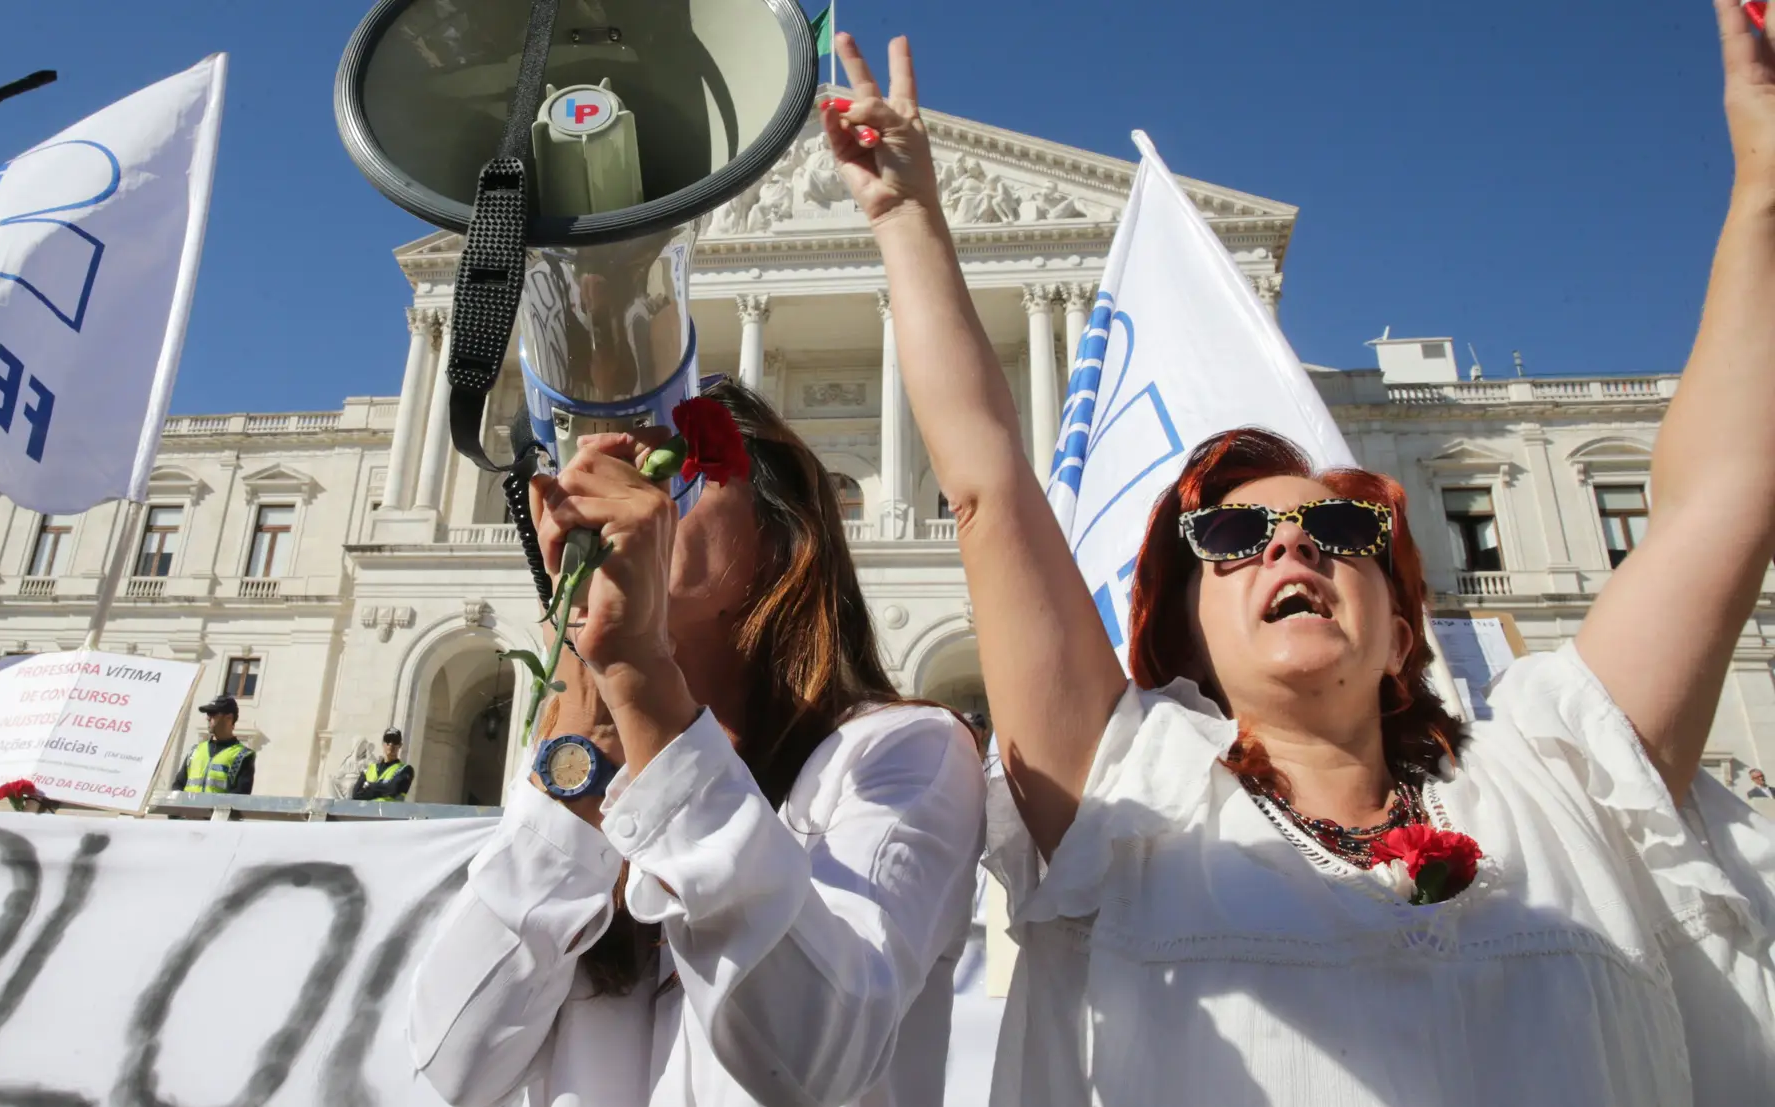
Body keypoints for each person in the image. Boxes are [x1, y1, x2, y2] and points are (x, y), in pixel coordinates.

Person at [820, 12, 1775, 1106]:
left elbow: (1722, 499)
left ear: (1403, 631)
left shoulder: (1560, 779)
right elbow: (990, 488)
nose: (1289, 541)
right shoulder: (1128, 801)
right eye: (1231, 538)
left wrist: (1762, 183)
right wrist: (907, 221)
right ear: (1184, 633)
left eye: (1342, 532)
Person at [407, 380, 986, 1107]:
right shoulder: (581, 773)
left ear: (783, 535)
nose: (631, 503)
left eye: (672, 470)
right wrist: (586, 729)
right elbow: (453, 1061)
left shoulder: (905, 753)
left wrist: (640, 674)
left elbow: (815, 1058)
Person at [170, 695, 255, 795]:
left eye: (212, 713)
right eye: (207, 714)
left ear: (229, 718)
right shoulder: (195, 751)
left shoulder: (242, 756)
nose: (207, 718)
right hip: (188, 806)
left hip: (218, 806)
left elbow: (240, 796)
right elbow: (178, 785)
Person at [352, 728, 414, 802]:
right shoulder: (368, 769)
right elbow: (356, 795)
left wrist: (368, 786)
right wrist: (382, 788)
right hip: (369, 809)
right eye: (388, 740)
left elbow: (392, 789)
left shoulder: (405, 769)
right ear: (383, 743)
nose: (391, 744)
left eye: (395, 741)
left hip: (389, 809)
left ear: (400, 745)